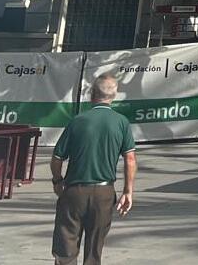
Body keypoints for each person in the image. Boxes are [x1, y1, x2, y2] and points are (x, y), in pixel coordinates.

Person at [51, 74, 137, 265]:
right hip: (104, 193)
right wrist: (127, 192)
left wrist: (57, 181)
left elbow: (57, 159)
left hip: (74, 191)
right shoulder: (121, 122)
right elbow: (130, 159)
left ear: (92, 94)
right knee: (94, 250)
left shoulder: (77, 121)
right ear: (113, 96)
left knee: (66, 246)